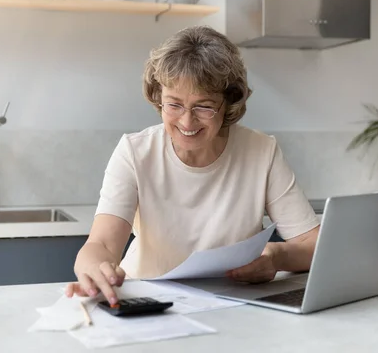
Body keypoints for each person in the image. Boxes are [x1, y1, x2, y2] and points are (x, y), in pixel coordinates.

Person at [65, 25, 321, 306]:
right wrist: (93, 268)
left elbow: (316, 244)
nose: (187, 122)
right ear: (158, 98)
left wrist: (277, 257)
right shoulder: (135, 152)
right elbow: (101, 244)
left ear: (228, 103)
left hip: (232, 306)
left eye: (204, 106)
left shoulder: (261, 152)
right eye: (173, 105)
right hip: (149, 302)